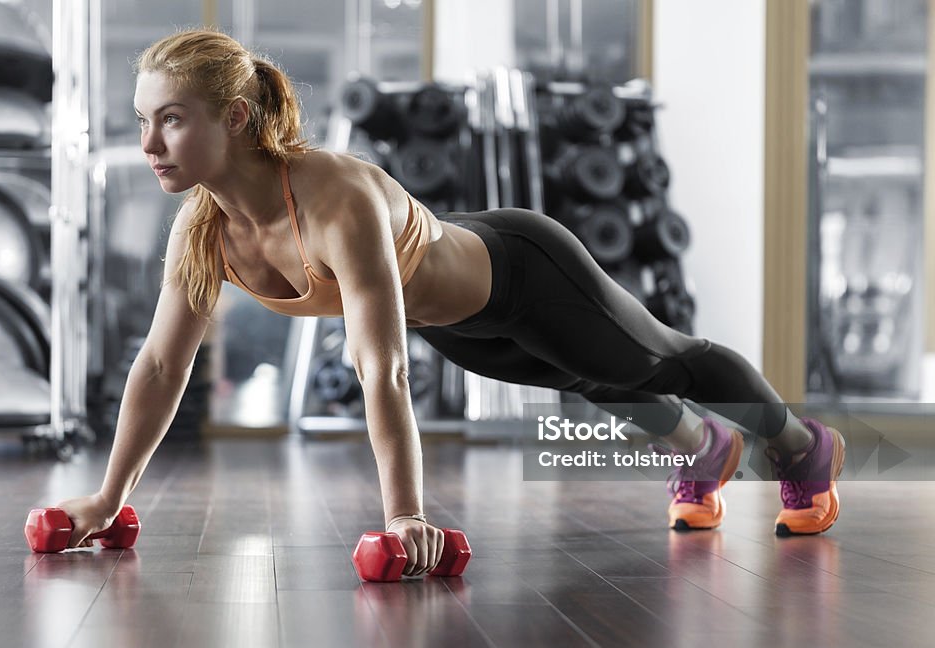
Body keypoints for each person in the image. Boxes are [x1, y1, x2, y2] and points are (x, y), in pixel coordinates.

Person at [53, 29, 845, 576]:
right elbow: (161, 364)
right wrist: (108, 497)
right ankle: (702, 448)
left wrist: (405, 516)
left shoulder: (335, 197)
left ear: (234, 118)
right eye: (143, 123)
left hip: (523, 271)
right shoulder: (205, 231)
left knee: (656, 357)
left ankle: (801, 444)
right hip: (459, 324)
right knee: (592, 379)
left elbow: (383, 370)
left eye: (170, 120)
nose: (149, 143)